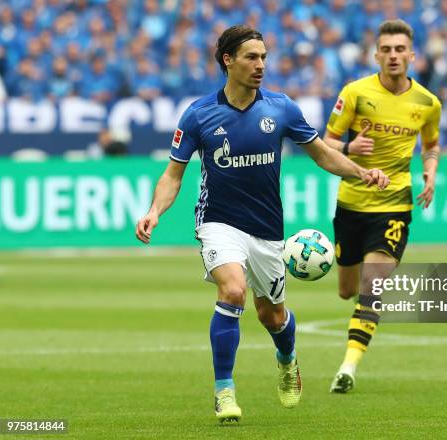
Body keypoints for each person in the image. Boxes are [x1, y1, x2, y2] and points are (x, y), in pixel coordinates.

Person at [134, 25, 389, 423]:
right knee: (232, 291)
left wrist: (361, 172)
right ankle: (224, 392)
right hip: (218, 222)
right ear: (228, 60)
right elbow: (173, 174)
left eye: (264, 57)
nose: (261, 65)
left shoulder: (281, 108)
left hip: (267, 229)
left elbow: (322, 154)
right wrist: (155, 210)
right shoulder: (199, 114)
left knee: (272, 316)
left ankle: (287, 360)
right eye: (252, 57)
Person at [322, 19, 441, 393]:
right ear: (376, 55)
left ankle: (348, 367)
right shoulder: (355, 93)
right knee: (347, 290)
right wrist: (347, 149)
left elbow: (432, 145)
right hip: (352, 203)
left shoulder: (427, 102)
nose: (393, 56)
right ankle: (358, 323)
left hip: (394, 204)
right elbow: (325, 143)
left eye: (399, 49)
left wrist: (431, 171)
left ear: (411, 55)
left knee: (372, 287)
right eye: (386, 49)